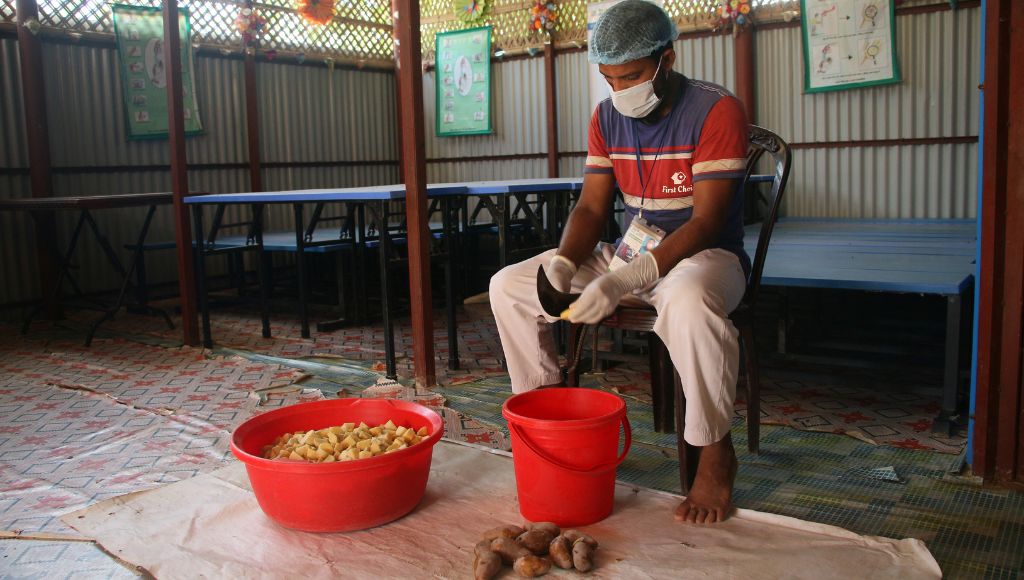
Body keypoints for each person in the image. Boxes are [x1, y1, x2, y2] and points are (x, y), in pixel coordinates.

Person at [489, 0, 750, 525]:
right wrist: (565, 262)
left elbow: (705, 222)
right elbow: (591, 207)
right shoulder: (607, 116)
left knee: (691, 303)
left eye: (630, 76)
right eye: (608, 78)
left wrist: (625, 280)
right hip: (627, 251)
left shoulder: (716, 110)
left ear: (666, 60)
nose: (618, 90)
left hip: (704, 257)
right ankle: (545, 415)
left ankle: (715, 449)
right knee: (510, 285)